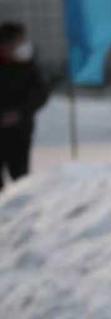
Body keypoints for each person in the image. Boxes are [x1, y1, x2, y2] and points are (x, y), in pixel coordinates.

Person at [0, 21, 48, 192]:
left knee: (21, 180)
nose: (22, 46)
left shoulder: (27, 66)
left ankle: (20, 213)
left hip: (20, 131)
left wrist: (20, 112)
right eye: (19, 42)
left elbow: (41, 94)